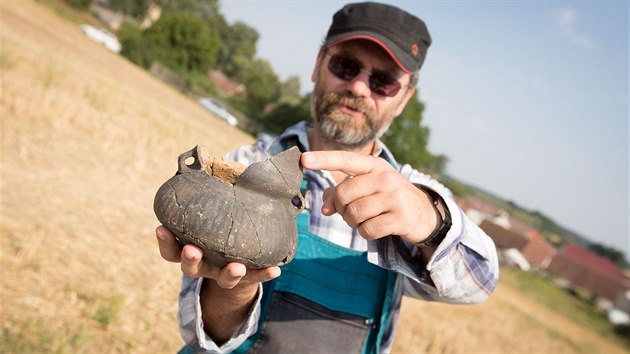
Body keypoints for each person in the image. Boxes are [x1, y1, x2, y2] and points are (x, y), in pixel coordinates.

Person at [156, 2, 499, 353]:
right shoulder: (243, 168)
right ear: (318, 64)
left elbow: (480, 284)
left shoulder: (413, 198)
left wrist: (430, 221)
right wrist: (237, 289)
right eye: (346, 66)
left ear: (404, 99)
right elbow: (200, 335)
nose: (360, 88)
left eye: (383, 82)